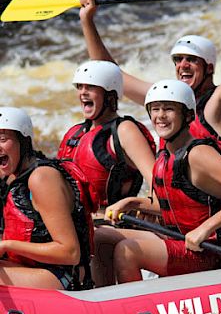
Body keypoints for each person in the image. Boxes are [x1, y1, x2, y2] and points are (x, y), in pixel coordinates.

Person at [105, 80, 221, 283]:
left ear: (188, 115)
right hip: (180, 241)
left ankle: (132, 310)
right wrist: (132, 202)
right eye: (155, 109)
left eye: (169, 109)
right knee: (103, 237)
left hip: (210, 252)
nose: (160, 116)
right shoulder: (165, 156)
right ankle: (103, 299)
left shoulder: (199, 153)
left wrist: (205, 228)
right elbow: (177, 205)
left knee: (127, 251)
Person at [78, 0, 221, 159]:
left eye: (192, 60)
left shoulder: (219, 102)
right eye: (178, 60)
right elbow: (109, 73)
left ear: (209, 68)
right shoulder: (166, 97)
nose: (182, 65)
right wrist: (87, 20)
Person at [57, 60, 156, 286]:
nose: (82, 93)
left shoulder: (124, 131)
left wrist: (143, 206)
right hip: (76, 225)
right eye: (79, 87)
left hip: (113, 226)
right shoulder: (75, 133)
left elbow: (158, 182)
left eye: (90, 87)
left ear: (110, 95)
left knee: (95, 237)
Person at [0, 107, 93, 290]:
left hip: (64, 278)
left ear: (24, 141)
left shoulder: (42, 178)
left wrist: (8, 245)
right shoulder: (11, 177)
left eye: (3, 139)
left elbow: (70, 252)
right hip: (33, 269)